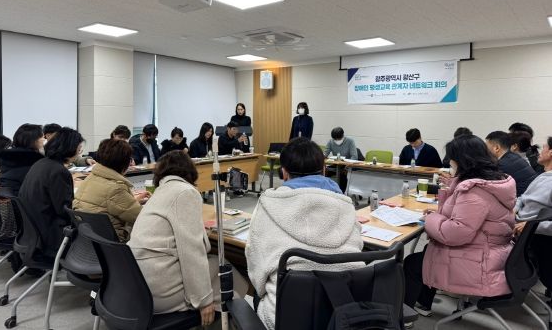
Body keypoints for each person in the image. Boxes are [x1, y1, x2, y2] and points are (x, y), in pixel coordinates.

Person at [245, 138, 363, 329]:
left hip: (285, 319)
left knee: (258, 294)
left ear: (284, 172)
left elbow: (256, 271)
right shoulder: (347, 205)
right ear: (324, 170)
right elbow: (358, 246)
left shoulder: (267, 204)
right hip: (342, 317)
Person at [404, 135, 516, 319]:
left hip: (479, 264)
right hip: (490, 253)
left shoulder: (474, 192)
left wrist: (431, 218)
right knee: (427, 251)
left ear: (461, 161)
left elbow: (454, 234)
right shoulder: (492, 181)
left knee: (411, 263)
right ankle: (423, 303)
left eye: (452, 159)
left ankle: (405, 316)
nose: (450, 162)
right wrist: (451, 188)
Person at [128, 151, 247, 323]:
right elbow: (191, 251)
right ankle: (232, 317)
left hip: (139, 282)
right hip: (160, 290)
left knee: (215, 265)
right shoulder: (185, 192)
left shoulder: (161, 191)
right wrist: (203, 300)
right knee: (226, 271)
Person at [18, 128, 84, 258]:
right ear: (70, 148)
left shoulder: (41, 163)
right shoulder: (58, 171)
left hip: (33, 231)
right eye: (79, 149)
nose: (79, 153)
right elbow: (64, 210)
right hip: (51, 235)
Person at [73, 139, 149, 241]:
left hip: (90, 238)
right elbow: (141, 217)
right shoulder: (116, 188)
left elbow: (110, 204)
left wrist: (134, 201)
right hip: (114, 241)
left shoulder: (90, 178)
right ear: (124, 162)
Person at [514, 136, 552, 296]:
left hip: (534, 237)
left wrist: (531, 226)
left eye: (544, 147)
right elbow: (523, 197)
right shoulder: (543, 175)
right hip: (522, 228)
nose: (539, 151)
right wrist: (515, 208)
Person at [0, 124, 44, 196]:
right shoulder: (35, 162)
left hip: (10, 200)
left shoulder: (5, 159)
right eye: (42, 137)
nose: (44, 139)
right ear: (34, 140)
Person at [485, 131, 536, 197]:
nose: (485, 151)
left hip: (523, 200)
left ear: (497, 148)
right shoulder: (514, 156)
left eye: (486, 147)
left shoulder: (501, 165)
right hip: (532, 195)